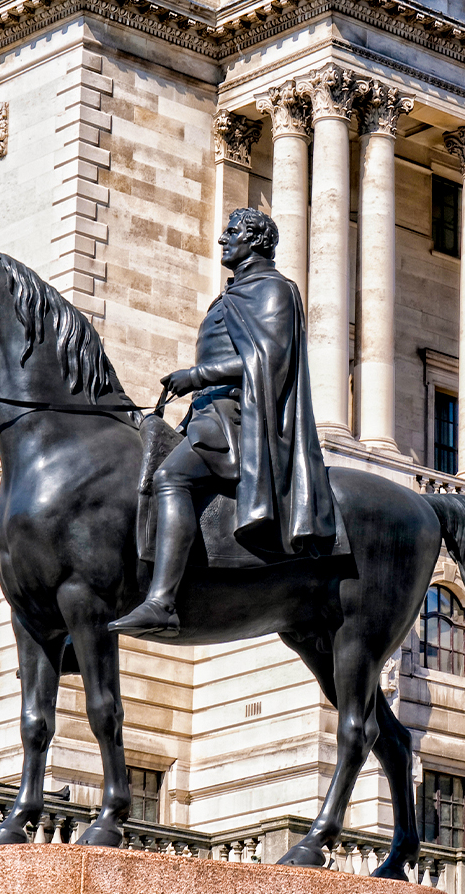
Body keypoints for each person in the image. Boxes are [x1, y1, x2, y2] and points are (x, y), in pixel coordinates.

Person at [109, 208, 336, 637]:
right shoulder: (235, 294)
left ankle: (162, 603)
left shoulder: (273, 290)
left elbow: (269, 360)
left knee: (171, 478)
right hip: (206, 414)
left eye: (232, 232)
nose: (222, 240)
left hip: (240, 417)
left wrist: (195, 376)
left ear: (256, 240)